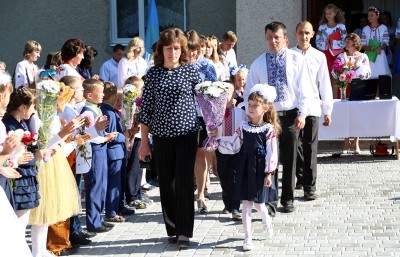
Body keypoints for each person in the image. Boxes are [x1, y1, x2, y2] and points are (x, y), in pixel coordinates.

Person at [138, 28, 201, 250]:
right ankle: (172, 227)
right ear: (161, 50)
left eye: (176, 48)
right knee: (167, 183)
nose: (173, 52)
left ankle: (184, 231)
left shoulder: (191, 71)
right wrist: (144, 142)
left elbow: (205, 100)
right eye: (168, 48)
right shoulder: (153, 74)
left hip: (187, 134)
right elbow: (146, 111)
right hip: (162, 135)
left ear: (182, 49)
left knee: (184, 181)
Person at [245, 21, 312, 213]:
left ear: (285, 39)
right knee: (268, 159)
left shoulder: (297, 60)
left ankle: (288, 198)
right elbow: (250, 92)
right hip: (268, 118)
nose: (273, 41)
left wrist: (302, 113)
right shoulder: (258, 63)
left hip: (290, 115)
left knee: (290, 158)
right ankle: (270, 201)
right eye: (269, 37)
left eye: (277, 37)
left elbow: (305, 89)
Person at [215, 84, 280, 251]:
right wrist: (217, 142)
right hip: (245, 168)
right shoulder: (243, 127)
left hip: (260, 170)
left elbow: (272, 153)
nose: (250, 108)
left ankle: (267, 223)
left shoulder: (269, 130)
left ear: (265, 108)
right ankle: (247, 237)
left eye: (255, 105)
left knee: (259, 205)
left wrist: (269, 172)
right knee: (246, 204)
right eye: (249, 105)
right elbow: (235, 145)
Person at [292, 21, 333, 199]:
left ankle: (310, 186)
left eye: (307, 33)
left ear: (313, 34)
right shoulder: (289, 55)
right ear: (295, 34)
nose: (304, 36)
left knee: (310, 146)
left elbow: (324, 84)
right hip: (293, 106)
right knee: (295, 145)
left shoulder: (319, 56)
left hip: (313, 107)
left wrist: (327, 110)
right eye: (301, 33)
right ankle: (300, 177)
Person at [185, 29, 217, 214]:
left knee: (200, 155)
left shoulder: (206, 65)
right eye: (189, 49)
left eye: (195, 49)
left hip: (202, 117)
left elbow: (215, 92)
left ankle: (200, 195)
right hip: (181, 117)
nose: (192, 54)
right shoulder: (178, 65)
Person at [80, 79, 117, 233]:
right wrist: (105, 138)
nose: (103, 94)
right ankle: (93, 221)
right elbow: (87, 134)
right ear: (89, 95)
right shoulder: (87, 112)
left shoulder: (95, 108)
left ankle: (99, 218)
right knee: (95, 185)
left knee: (101, 184)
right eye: (100, 92)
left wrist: (105, 135)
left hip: (100, 148)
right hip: (94, 149)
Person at [335, 33, 371, 154]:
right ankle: (346, 142)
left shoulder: (363, 57)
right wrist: (343, 70)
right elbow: (334, 71)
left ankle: (356, 143)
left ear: (355, 44)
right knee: (345, 115)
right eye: (346, 41)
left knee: (357, 115)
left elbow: (367, 73)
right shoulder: (341, 56)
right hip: (344, 87)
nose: (346, 44)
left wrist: (354, 69)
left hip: (357, 88)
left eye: (349, 42)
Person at [100, 81, 130, 223]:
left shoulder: (107, 110)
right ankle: (111, 211)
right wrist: (124, 136)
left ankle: (118, 206)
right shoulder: (109, 113)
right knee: (114, 183)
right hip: (114, 152)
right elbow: (113, 135)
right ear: (111, 96)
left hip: (116, 152)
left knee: (117, 182)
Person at [214, 82, 245, 220]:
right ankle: (227, 204)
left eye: (229, 92)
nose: (226, 95)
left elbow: (244, 128)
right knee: (224, 177)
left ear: (233, 94)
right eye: (223, 92)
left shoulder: (240, 112)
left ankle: (235, 207)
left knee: (234, 177)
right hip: (221, 148)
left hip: (237, 149)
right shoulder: (214, 113)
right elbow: (212, 130)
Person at [315, 4, 347, 98]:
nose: (328, 15)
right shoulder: (322, 27)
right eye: (326, 13)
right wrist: (325, 43)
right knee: (326, 76)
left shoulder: (341, 26)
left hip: (338, 54)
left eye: (330, 13)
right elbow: (317, 42)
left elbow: (345, 42)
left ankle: (336, 98)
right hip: (326, 53)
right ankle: (326, 98)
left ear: (335, 13)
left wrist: (333, 42)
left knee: (337, 77)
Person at [361, 6, 391, 79]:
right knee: (369, 77)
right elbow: (362, 43)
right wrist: (368, 48)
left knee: (381, 77)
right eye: (368, 15)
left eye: (372, 15)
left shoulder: (383, 28)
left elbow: (386, 42)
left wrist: (380, 48)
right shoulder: (365, 29)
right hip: (369, 56)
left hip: (380, 55)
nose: (369, 17)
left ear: (377, 16)